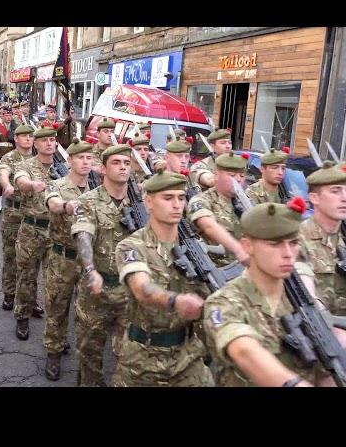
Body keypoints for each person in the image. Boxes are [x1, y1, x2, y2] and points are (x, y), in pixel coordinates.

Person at [203, 200, 346, 386]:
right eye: (275, 244)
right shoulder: (223, 303)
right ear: (247, 246)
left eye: (293, 243)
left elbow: (324, 372)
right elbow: (243, 351)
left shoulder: (301, 301)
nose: (288, 253)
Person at [113, 169, 214, 386]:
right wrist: (175, 301)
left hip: (188, 356)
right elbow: (142, 288)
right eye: (168, 198)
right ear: (149, 202)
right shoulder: (131, 246)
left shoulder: (195, 247)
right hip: (142, 358)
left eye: (181, 197)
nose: (177, 205)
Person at [71, 144, 134, 386]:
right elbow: (83, 233)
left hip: (130, 292)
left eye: (126, 163)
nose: (122, 168)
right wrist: (90, 270)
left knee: (127, 357)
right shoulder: (88, 201)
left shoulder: (140, 203)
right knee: (90, 356)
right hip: (96, 292)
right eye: (116, 163)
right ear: (104, 168)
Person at [297, 161, 346, 342]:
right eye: (336, 191)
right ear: (314, 198)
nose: (345, 198)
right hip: (316, 334)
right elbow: (303, 298)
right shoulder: (297, 240)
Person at [43, 138, 94, 380]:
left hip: (88, 262)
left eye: (89, 158)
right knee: (57, 307)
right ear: (70, 160)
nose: (85, 162)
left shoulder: (97, 189)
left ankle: (86, 362)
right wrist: (67, 206)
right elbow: (52, 204)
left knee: (87, 314)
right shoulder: (57, 185)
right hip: (62, 258)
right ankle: (53, 352)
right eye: (81, 158)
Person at [12, 127, 59, 340]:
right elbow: (20, 181)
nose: (49, 143)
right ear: (36, 144)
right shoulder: (26, 166)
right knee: (26, 277)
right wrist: (32, 185)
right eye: (45, 140)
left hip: (57, 232)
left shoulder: (64, 168)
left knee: (55, 283)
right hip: (32, 229)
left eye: (52, 140)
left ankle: (56, 333)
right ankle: (22, 315)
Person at [187, 151, 250, 267]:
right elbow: (209, 226)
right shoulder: (201, 200)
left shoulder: (246, 203)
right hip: (215, 270)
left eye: (241, 176)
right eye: (232, 175)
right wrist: (238, 249)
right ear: (216, 175)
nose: (238, 180)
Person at [0, 124, 35, 311]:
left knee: (32, 260)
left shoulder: (38, 158)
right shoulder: (10, 157)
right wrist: (7, 185)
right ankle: (10, 293)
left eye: (31, 136)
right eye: (24, 136)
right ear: (17, 139)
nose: (29, 139)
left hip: (33, 214)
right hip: (14, 214)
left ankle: (30, 298)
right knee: (11, 256)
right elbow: (3, 173)